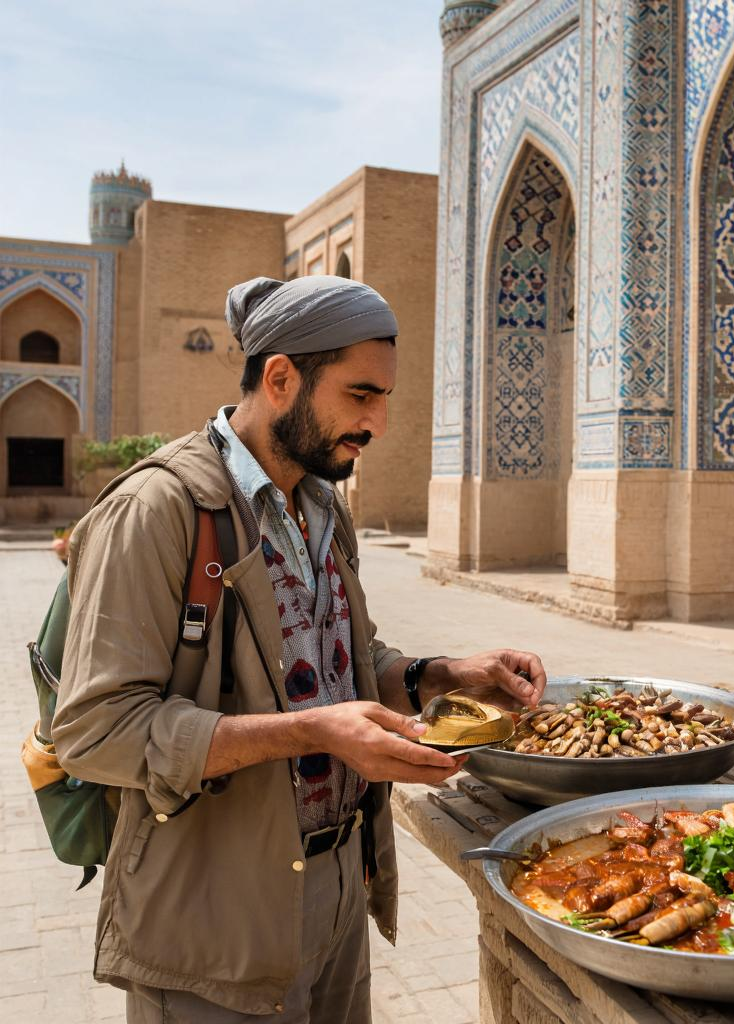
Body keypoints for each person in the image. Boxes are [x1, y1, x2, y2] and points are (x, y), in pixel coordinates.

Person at [51, 275, 547, 1023]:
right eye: (360, 396)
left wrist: (444, 674)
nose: (377, 421)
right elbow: (93, 733)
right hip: (213, 920)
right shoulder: (158, 511)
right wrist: (311, 733)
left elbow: (350, 661)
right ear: (280, 378)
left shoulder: (320, 505)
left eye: (383, 398)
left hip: (339, 893)